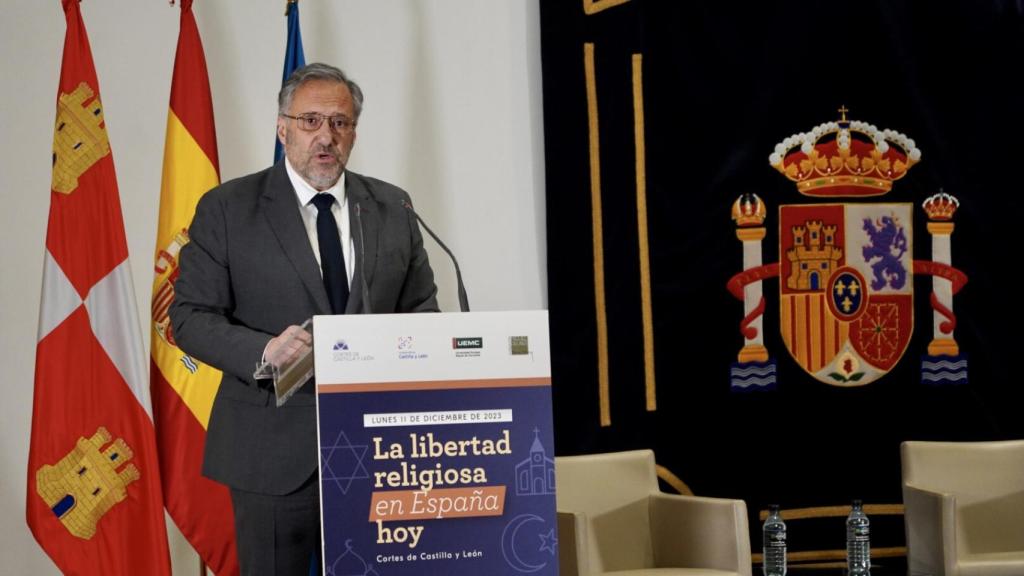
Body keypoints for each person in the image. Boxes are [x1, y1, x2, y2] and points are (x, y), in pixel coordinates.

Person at [169, 62, 439, 575]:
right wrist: (263, 351)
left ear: (354, 132)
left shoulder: (390, 206)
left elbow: (422, 310)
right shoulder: (229, 208)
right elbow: (190, 316)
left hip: (380, 451)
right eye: (311, 120)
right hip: (272, 453)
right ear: (283, 128)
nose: (326, 136)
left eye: (339, 123)